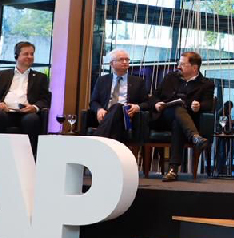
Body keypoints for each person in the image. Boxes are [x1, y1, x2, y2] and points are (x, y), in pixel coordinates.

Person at [145, 51, 215, 182]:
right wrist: (156, 104)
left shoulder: (206, 84)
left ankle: (173, 170)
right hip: (163, 118)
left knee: (178, 122)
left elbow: (208, 104)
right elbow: (154, 96)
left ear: (194, 67)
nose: (178, 66)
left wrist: (198, 106)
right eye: (179, 63)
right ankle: (195, 137)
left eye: (182, 64)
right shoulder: (170, 77)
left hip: (185, 120)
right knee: (177, 109)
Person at [0, 41, 51, 153]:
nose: (30, 57)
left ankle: (29, 156)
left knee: (32, 119)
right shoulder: (2, 74)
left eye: (32, 54)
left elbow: (45, 99)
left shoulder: (41, 77)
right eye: (26, 54)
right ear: (16, 56)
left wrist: (34, 107)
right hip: (5, 111)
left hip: (27, 113)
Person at [88, 49, 148, 143]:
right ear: (112, 63)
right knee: (115, 116)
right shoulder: (102, 80)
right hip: (105, 115)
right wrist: (99, 110)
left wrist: (137, 107)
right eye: (121, 59)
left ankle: (97, 141)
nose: (125, 62)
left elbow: (147, 103)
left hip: (128, 117)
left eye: (127, 59)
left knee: (117, 107)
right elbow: (93, 102)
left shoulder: (138, 81)